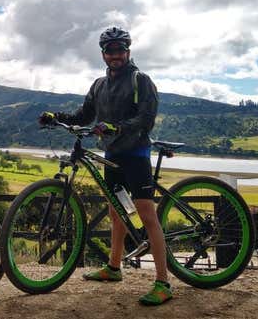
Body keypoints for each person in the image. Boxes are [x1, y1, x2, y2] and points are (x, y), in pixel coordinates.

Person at [38, 26, 172, 306]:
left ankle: (163, 282)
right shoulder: (99, 85)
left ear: (128, 51)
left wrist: (115, 127)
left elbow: (145, 120)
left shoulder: (141, 80)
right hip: (112, 155)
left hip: (135, 153)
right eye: (110, 51)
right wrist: (56, 117)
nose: (116, 55)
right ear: (103, 54)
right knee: (115, 212)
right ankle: (114, 268)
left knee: (147, 214)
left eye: (120, 49)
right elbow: (84, 115)